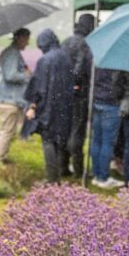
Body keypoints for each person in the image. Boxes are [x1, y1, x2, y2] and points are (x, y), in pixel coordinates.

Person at [23, 29, 75, 183]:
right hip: (65, 107)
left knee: (48, 140)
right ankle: (59, 174)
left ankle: (52, 179)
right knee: (60, 140)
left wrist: (33, 105)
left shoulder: (44, 60)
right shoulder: (66, 57)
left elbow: (38, 86)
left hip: (48, 108)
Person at [0, 28, 32, 163]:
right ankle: (0, 160)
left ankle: (1, 158)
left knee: (5, 130)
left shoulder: (12, 53)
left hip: (6, 98)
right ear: (19, 38)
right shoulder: (12, 54)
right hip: (8, 100)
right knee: (6, 131)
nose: (28, 43)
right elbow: (10, 75)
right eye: (26, 39)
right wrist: (26, 76)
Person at [60, 13, 95, 179]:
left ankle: (63, 166)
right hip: (79, 93)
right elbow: (80, 70)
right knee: (77, 130)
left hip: (63, 93)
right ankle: (79, 170)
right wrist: (77, 83)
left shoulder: (65, 42)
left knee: (65, 128)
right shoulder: (85, 44)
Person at [87, 65, 122, 188]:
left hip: (97, 100)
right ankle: (103, 177)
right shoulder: (117, 62)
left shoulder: (99, 58)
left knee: (97, 139)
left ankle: (96, 174)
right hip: (111, 103)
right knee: (108, 142)